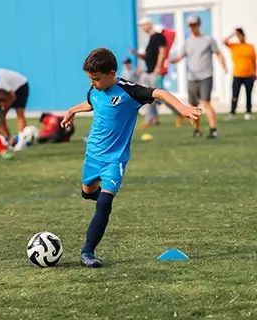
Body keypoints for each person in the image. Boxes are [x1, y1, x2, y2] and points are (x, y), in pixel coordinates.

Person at [60, 48, 202, 268]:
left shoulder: (129, 91)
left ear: (111, 73)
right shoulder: (95, 88)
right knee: (88, 194)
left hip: (115, 159)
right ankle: (96, 198)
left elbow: (159, 93)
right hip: (92, 155)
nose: (93, 83)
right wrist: (72, 110)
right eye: (90, 79)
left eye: (96, 79)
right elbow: (91, 102)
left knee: (104, 203)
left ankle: (87, 252)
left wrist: (182, 107)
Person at [170, 16, 227, 139]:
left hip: (206, 76)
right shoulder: (187, 42)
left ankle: (213, 129)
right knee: (193, 105)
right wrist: (172, 61)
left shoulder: (208, 40)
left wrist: (223, 65)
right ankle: (197, 129)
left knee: (206, 102)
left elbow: (218, 53)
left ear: (199, 25)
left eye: (194, 25)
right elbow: (180, 57)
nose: (192, 28)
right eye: (190, 25)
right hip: (192, 77)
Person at [130, 17, 167, 127]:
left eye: (143, 25)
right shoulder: (149, 39)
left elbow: (162, 52)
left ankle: (180, 112)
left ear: (149, 24)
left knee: (160, 96)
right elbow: (147, 57)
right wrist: (136, 53)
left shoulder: (159, 37)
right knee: (150, 96)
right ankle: (151, 119)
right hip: (148, 71)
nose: (142, 28)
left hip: (154, 72)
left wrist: (158, 66)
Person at [223, 28, 256, 120]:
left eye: (241, 35)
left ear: (244, 36)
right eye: (238, 36)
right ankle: (232, 112)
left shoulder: (250, 47)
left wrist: (255, 73)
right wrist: (233, 34)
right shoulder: (234, 46)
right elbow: (224, 41)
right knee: (235, 94)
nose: (240, 37)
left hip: (249, 75)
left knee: (248, 94)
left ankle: (248, 112)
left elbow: (254, 61)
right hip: (237, 74)